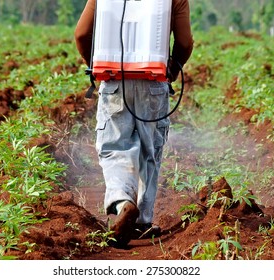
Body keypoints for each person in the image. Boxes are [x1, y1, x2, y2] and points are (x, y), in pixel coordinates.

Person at [75, 0, 193, 248]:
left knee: (114, 146)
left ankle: (122, 202)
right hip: (154, 80)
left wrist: (93, 65)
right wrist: (173, 69)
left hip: (114, 79)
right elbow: (184, 42)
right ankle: (141, 221)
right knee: (150, 151)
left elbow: (82, 34)